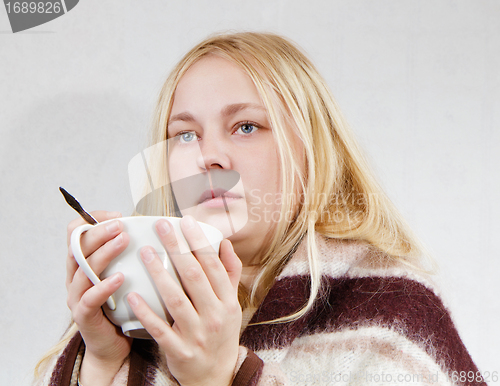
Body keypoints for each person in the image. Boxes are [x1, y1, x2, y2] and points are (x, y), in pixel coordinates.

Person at [34, 32, 485, 386]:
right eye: (185, 135)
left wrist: (220, 377)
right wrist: (100, 363)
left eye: (245, 126)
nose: (208, 156)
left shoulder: (391, 309)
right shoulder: (135, 308)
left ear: (312, 151)